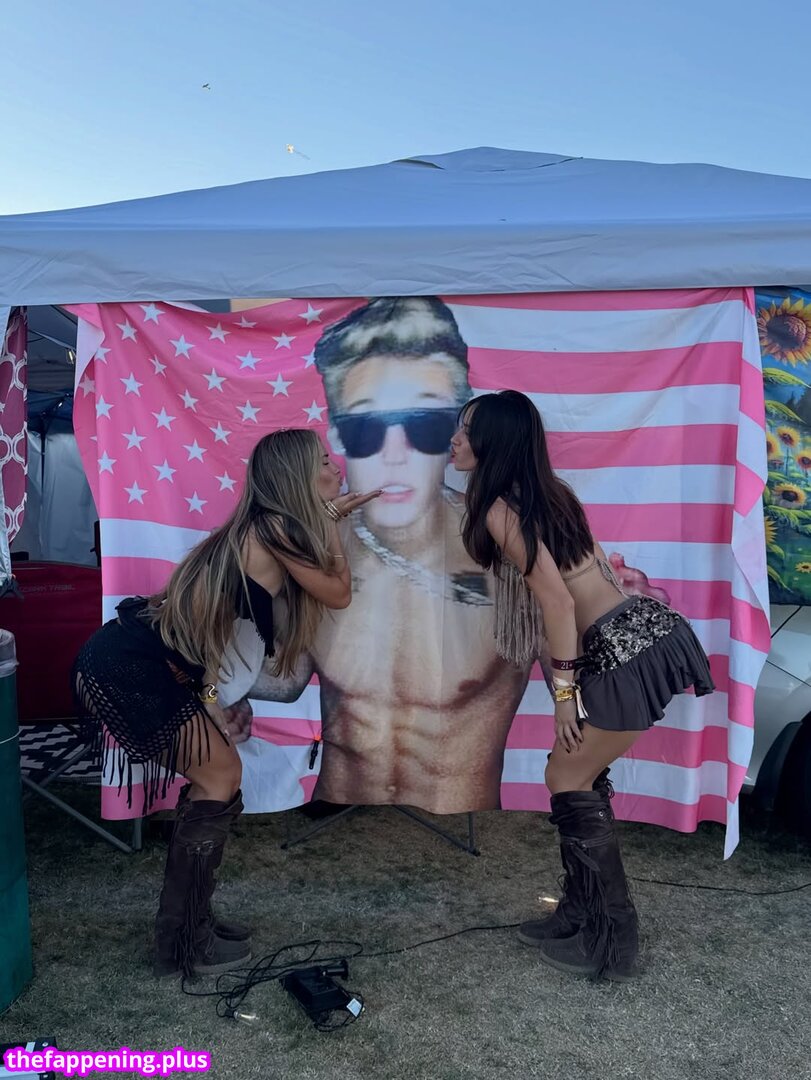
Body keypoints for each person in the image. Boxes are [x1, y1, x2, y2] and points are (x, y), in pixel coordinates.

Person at [72, 429, 378, 978]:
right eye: (323, 462)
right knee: (220, 774)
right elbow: (338, 592)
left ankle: (189, 924)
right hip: (129, 665)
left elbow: (217, 631)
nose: (336, 466)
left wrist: (216, 697)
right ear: (296, 476)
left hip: (130, 660)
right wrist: (333, 522)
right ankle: (183, 940)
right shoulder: (275, 528)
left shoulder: (265, 527)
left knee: (217, 778)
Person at [450, 389, 715, 981]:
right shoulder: (551, 493)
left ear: (494, 442)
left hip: (624, 651)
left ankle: (612, 940)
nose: (455, 439)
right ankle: (577, 911)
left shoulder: (501, 510)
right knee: (576, 774)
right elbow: (590, 581)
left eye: (466, 430)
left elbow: (559, 602)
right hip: (642, 635)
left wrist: (566, 695)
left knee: (566, 776)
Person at [252, 297, 532, 813]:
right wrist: (210, 692)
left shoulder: (503, 541)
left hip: (462, 816)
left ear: (455, 437)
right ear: (337, 435)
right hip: (341, 815)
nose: (396, 454)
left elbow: (570, 633)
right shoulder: (315, 543)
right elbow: (284, 680)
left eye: (425, 425)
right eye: (367, 429)